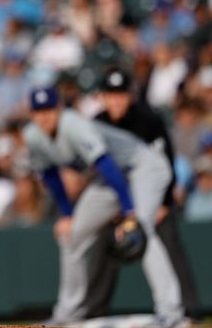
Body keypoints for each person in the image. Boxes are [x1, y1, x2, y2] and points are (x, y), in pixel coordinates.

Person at [22, 86, 184, 327]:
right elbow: (51, 174)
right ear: (32, 114)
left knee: (141, 230)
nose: (44, 116)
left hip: (142, 165)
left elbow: (107, 166)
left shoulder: (74, 125)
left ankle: (171, 313)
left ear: (59, 109)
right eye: (38, 111)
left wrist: (129, 213)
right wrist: (66, 214)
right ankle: (69, 313)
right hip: (110, 179)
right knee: (72, 234)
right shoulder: (33, 135)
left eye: (48, 110)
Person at [82, 67, 199, 320]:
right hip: (118, 195)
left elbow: (165, 163)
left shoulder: (148, 120)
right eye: (111, 94)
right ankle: (92, 310)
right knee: (105, 240)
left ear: (130, 95)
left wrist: (165, 203)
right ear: (102, 96)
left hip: (152, 196)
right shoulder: (97, 123)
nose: (116, 100)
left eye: (121, 94)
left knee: (164, 237)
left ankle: (184, 309)